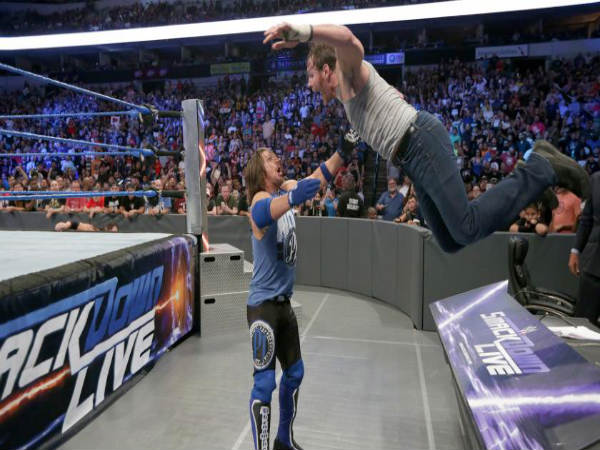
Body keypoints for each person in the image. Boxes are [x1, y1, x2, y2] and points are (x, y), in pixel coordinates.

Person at [263, 22, 590, 253]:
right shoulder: (349, 105)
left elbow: (349, 40)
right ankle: (535, 179)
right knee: (449, 241)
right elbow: (335, 161)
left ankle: (539, 167)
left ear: (326, 70)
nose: (308, 84)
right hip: (413, 157)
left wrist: (304, 32)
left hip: (420, 142)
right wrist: (298, 186)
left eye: (310, 74)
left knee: (466, 226)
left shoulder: (349, 75)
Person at [243, 139, 350, 450]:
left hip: (283, 305)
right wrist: (293, 195)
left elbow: (316, 179)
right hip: (263, 307)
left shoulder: (284, 191)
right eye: (270, 158)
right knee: (264, 383)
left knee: (294, 373)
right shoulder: (260, 200)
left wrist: (342, 152)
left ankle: (284, 440)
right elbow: (263, 212)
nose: (278, 160)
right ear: (259, 171)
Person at [569, 172, 600, 324]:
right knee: (584, 323)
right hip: (593, 261)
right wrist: (575, 251)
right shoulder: (596, 179)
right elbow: (586, 219)